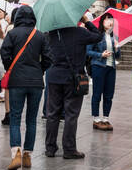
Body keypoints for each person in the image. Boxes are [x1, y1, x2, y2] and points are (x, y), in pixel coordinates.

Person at [43, 13, 103, 159]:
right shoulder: (80, 33)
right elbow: (98, 36)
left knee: (52, 114)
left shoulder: (51, 34)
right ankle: (69, 149)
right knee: (71, 114)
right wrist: (87, 21)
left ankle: (50, 148)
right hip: (72, 78)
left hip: (54, 76)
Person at [0, 4, 50, 170]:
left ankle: (16, 154)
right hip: (36, 82)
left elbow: (4, 53)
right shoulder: (40, 35)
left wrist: (11, 68)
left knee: (15, 118)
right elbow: (48, 59)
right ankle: (28, 155)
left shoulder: (12, 33)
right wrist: (39, 70)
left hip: (17, 81)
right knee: (31, 120)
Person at [88, 14, 120, 131]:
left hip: (111, 68)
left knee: (109, 94)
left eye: (111, 19)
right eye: (107, 19)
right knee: (97, 93)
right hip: (98, 66)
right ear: (102, 22)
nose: (109, 22)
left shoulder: (114, 37)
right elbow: (88, 51)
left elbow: (118, 56)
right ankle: (96, 118)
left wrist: (117, 48)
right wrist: (101, 55)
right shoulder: (96, 35)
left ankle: (106, 118)